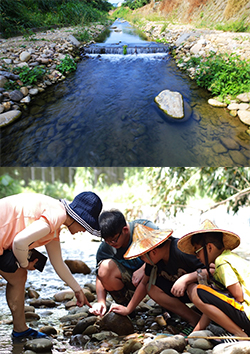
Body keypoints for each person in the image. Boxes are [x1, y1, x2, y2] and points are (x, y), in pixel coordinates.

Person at [0, 191, 102, 340]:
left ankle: (20, 330)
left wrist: (77, 289)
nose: (84, 230)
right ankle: (20, 330)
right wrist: (24, 263)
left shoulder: (55, 221)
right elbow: (19, 242)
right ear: (79, 218)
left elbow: (57, 262)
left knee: (18, 277)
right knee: (20, 272)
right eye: (86, 226)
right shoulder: (57, 215)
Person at [109, 223, 205, 334]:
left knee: (191, 288)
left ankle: (207, 319)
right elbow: (144, 283)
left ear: (153, 252)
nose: (142, 260)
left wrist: (186, 279)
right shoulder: (153, 259)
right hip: (181, 291)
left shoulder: (180, 250)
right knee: (152, 288)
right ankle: (193, 319)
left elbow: (211, 270)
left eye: (142, 256)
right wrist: (128, 309)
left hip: (204, 291)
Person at [177, 219, 250, 338]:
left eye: (197, 251)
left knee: (200, 291)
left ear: (209, 248)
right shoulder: (232, 257)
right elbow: (210, 309)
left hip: (248, 315)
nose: (196, 257)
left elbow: (238, 295)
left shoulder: (221, 262)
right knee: (207, 294)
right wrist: (193, 335)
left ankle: (240, 334)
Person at [90, 209, 159, 317]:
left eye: (114, 240)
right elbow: (100, 275)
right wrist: (101, 301)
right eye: (106, 240)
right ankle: (126, 307)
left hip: (155, 276)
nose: (110, 244)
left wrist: (145, 268)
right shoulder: (106, 248)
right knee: (104, 268)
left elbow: (165, 250)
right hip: (132, 283)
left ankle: (169, 309)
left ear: (125, 230)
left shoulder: (145, 228)